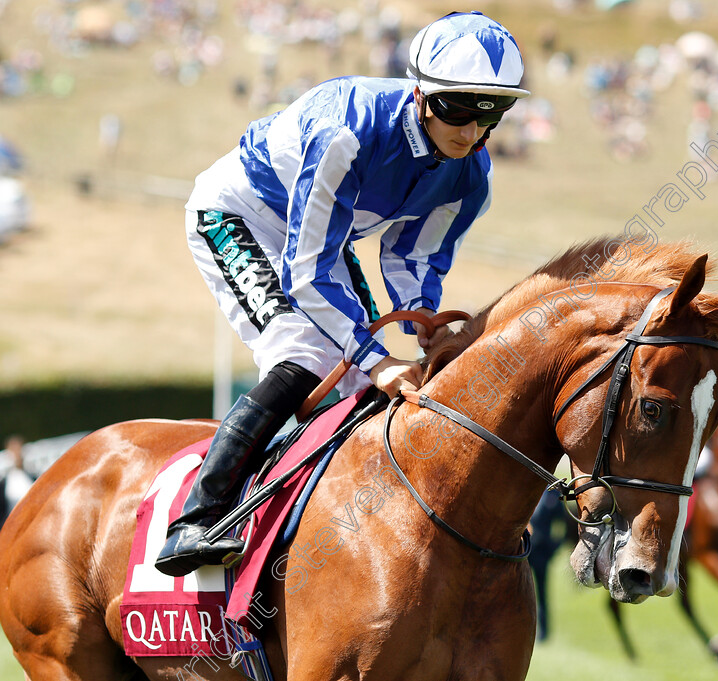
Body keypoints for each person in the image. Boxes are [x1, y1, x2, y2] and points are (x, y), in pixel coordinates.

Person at [156, 11, 530, 577]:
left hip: (321, 238)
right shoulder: (348, 131)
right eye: (458, 108)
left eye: (492, 113)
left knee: (361, 379)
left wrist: (427, 327)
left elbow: (412, 258)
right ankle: (197, 518)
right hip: (239, 216)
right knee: (306, 353)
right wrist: (379, 360)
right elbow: (306, 273)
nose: (472, 131)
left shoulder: (471, 174)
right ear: (421, 91)